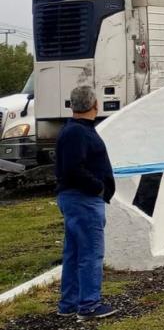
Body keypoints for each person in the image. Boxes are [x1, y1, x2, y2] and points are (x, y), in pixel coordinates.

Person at [54, 86, 118, 320]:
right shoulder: (78, 133)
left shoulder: (73, 130)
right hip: (83, 199)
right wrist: (98, 187)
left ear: (72, 106)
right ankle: (89, 304)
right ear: (95, 105)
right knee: (91, 252)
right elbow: (73, 168)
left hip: (75, 198)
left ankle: (68, 303)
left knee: (73, 252)